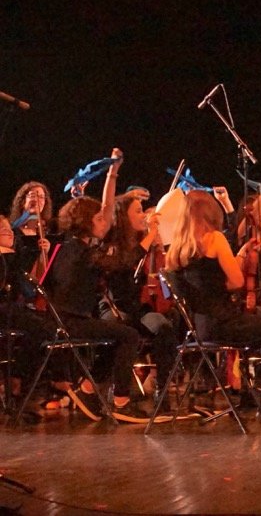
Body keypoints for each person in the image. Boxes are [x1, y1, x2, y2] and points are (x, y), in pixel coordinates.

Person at [168, 189, 261, 429]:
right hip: (226, 323)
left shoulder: (177, 248)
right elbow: (236, 282)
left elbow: (210, 283)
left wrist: (240, 254)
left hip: (202, 327)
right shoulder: (215, 238)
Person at [40, 149, 150, 421]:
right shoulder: (86, 254)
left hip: (64, 320)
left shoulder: (68, 246)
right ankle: (121, 402)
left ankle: (88, 390)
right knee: (129, 335)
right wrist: (147, 242)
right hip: (69, 323)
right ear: (87, 222)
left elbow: (107, 209)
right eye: (100, 219)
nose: (106, 221)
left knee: (118, 334)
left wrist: (113, 173)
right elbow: (123, 261)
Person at [95, 186, 179, 405]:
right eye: (139, 211)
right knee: (124, 329)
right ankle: (114, 392)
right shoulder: (111, 242)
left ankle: (162, 388)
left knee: (163, 326)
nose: (143, 215)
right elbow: (126, 262)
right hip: (113, 307)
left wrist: (157, 237)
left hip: (137, 308)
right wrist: (150, 235)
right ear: (124, 216)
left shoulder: (144, 241)